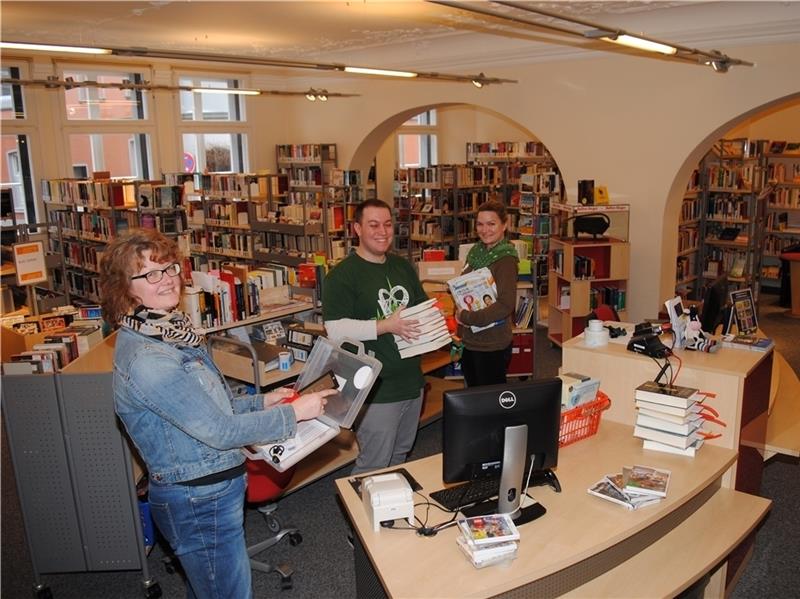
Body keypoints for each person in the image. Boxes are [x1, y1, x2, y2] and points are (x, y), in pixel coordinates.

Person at [99, 228, 335, 599]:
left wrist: (264, 401)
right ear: (125, 288)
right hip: (198, 498)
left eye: (170, 267)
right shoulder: (149, 358)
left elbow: (208, 408)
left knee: (210, 588)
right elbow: (218, 429)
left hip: (211, 488)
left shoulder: (169, 332)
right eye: (150, 274)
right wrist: (295, 415)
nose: (168, 280)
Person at [323, 199, 428, 475]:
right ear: (357, 228)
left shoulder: (402, 266)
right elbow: (334, 329)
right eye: (373, 225)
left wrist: (439, 325)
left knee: (400, 455)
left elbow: (420, 308)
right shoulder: (342, 276)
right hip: (376, 388)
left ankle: (389, 512)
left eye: (387, 224)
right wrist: (386, 326)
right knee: (373, 464)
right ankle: (362, 517)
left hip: (412, 381)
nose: (382, 231)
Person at [456, 199, 519, 387]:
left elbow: (505, 305)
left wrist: (467, 317)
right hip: (470, 340)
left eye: (491, 224)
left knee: (490, 402)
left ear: (504, 225)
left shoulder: (505, 259)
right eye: (480, 224)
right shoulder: (476, 252)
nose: (485, 230)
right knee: (474, 395)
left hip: (492, 344)